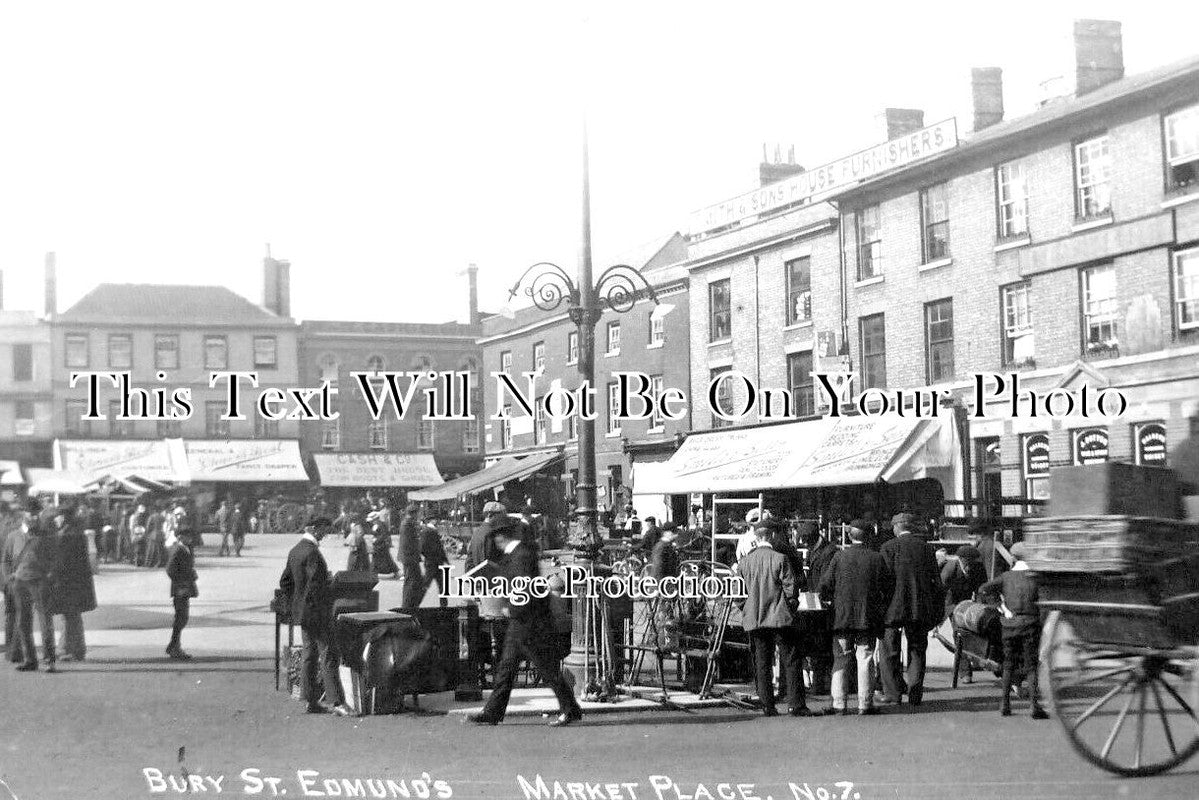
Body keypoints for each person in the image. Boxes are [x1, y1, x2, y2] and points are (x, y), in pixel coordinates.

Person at [467, 516, 583, 727]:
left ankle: (570, 708)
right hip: (523, 622)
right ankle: (492, 712)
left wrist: (510, 607)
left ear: (501, 537)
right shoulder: (519, 553)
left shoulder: (520, 555)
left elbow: (525, 589)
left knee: (545, 669)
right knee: (507, 669)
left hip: (529, 623)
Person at [736, 517, 811, 717]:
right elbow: (791, 588)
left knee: (762, 661)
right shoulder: (780, 558)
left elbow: (736, 592)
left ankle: (767, 704)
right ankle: (796, 704)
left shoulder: (745, 562)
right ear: (771, 535)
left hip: (755, 617)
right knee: (791, 658)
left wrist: (746, 607)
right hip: (779, 617)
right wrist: (790, 606)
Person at [818, 520, 892, 715]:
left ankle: (839, 703)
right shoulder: (877, 558)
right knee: (865, 658)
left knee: (840, 658)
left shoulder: (838, 557)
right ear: (868, 536)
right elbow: (888, 587)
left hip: (841, 617)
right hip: (867, 616)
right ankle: (865, 703)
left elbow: (825, 585)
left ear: (849, 536)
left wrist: (830, 601)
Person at [278, 517, 351, 716]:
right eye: (322, 530)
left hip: (302, 613)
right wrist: (330, 586)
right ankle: (337, 702)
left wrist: (297, 602)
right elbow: (316, 587)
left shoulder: (295, 551)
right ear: (313, 529)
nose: (324, 534)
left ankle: (310, 700)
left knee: (309, 656)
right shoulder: (312, 553)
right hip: (317, 612)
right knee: (328, 654)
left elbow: (285, 581)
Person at [878, 512, 945, 706]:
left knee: (889, 650)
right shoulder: (925, 549)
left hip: (892, 607)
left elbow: (884, 580)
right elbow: (936, 583)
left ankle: (893, 693)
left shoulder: (888, 548)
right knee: (917, 650)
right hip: (919, 608)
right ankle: (915, 693)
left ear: (897, 527)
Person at [981, 543, 1049, 719]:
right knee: (1031, 667)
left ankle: (1005, 704)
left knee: (1008, 663)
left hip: (1009, 625)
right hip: (1030, 625)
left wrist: (1001, 607)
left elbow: (984, 589)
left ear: (1013, 558)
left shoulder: (1005, 577)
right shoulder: (1036, 578)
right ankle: (1034, 706)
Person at [5, 502, 59, 672]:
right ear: (23, 515)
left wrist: (50, 575)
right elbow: (5, 560)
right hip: (19, 582)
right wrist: (8, 579)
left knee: (45, 621)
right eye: (30, 514)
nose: (33, 517)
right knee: (23, 621)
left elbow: (55, 557)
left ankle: (49, 660)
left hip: (40, 581)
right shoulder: (13, 536)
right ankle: (30, 659)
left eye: (36, 514)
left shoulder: (46, 535)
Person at [50, 510, 96, 662]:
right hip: (78, 581)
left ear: (63, 518)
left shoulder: (66, 535)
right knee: (74, 615)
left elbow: (61, 559)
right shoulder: (77, 532)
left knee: (69, 615)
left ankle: (66, 649)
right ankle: (76, 649)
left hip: (68, 581)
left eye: (57, 517)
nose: (55, 520)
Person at [940, 544, 988, 684]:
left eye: (974, 562)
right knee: (959, 635)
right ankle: (964, 671)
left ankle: (975, 660)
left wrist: (981, 606)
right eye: (968, 562)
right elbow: (941, 591)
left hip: (969, 604)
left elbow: (981, 589)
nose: (971, 566)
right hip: (952, 604)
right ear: (961, 559)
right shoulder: (950, 569)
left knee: (973, 634)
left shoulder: (978, 568)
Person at [165, 525, 199, 659]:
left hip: (184, 588)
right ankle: (174, 647)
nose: (190, 538)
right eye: (187, 536)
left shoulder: (186, 548)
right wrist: (180, 581)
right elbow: (170, 569)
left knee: (182, 618)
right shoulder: (178, 550)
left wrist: (191, 574)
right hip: (180, 588)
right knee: (181, 618)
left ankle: (174, 645)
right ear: (180, 537)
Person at [0, 503, 25, 664]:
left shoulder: (5, 529)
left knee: (11, 613)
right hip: (12, 576)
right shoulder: (12, 532)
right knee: (16, 612)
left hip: (6, 575)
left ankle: (11, 649)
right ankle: (15, 650)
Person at [398, 504, 424, 607]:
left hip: (410, 557)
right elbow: (407, 543)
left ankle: (411, 603)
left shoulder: (408, 523)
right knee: (411, 581)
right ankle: (407, 605)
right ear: (414, 513)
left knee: (415, 581)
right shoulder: (407, 524)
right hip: (410, 558)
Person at [420, 518, 450, 607]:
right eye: (435, 519)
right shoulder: (428, 531)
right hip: (433, 562)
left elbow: (439, 548)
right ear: (432, 520)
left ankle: (444, 605)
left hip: (434, 562)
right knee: (428, 585)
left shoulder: (429, 530)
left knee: (440, 586)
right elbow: (423, 547)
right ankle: (416, 602)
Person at [370, 503, 400, 579]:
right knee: (378, 559)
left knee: (386, 559)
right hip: (378, 545)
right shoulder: (376, 525)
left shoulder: (380, 524)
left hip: (381, 545)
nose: (372, 521)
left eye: (373, 520)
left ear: (375, 519)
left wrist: (376, 540)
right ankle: (373, 572)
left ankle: (395, 572)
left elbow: (383, 534)